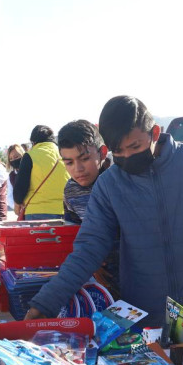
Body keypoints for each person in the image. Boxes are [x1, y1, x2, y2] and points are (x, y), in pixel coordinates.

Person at [26, 96, 183, 344]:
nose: (127, 156)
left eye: (135, 147)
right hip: (141, 320)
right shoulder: (110, 185)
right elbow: (88, 249)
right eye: (119, 151)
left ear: (155, 132)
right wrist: (46, 303)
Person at [58, 119, 120, 297]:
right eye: (69, 163)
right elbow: (75, 231)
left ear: (102, 152)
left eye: (85, 159)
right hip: (101, 277)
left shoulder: (121, 179)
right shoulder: (70, 190)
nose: (78, 169)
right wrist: (92, 263)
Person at [13, 125, 69, 220]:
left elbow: (20, 187)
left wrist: (17, 202)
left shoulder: (30, 155)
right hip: (65, 212)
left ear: (33, 142)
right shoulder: (65, 154)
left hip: (36, 212)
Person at [6, 144, 24, 210]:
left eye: (16, 157)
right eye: (10, 159)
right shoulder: (11, 176)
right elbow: (9, 196)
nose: (13, 160)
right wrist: (16, 207)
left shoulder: (32, 170)